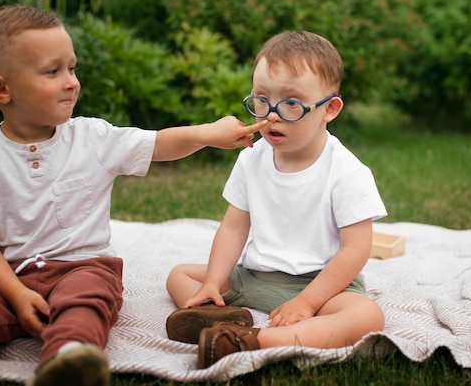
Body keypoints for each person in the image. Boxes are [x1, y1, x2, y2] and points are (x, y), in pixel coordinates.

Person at [0, 4, 266, 386]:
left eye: (72, 68)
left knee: (86, 303)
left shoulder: (92, 138)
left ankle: (68, 361)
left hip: (84, 267)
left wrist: (207, 133)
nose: (71, 81)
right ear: (0, 88)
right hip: (8, 274)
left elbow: (158, 144)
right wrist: (15, 294)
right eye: (53, 71)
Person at [165, 30, 388, 369]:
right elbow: (233, 227)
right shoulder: (251, 159)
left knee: (366, 316)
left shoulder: (346, 171)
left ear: (329, 108)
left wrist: (307, 303)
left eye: (291, 104)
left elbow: (354, 250)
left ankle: (254, 340)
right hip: (253, 278)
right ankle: (215, 319)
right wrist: (213, 282)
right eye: (261, 99)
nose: (271, 115)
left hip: (322, 285)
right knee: (180, 275)